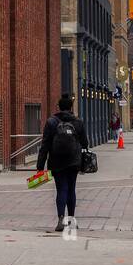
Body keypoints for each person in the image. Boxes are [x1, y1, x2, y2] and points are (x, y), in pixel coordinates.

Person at [35, 94, 89, 233]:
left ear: (58, 107)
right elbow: (85, 143)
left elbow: (45, 145)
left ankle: (60, 219)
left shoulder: (51, 122)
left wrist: (40, 166)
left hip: (56, 161)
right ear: (71, 107)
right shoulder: (78, 122)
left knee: (61, 189)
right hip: (73, 161)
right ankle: (71, 220)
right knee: (71, 189)